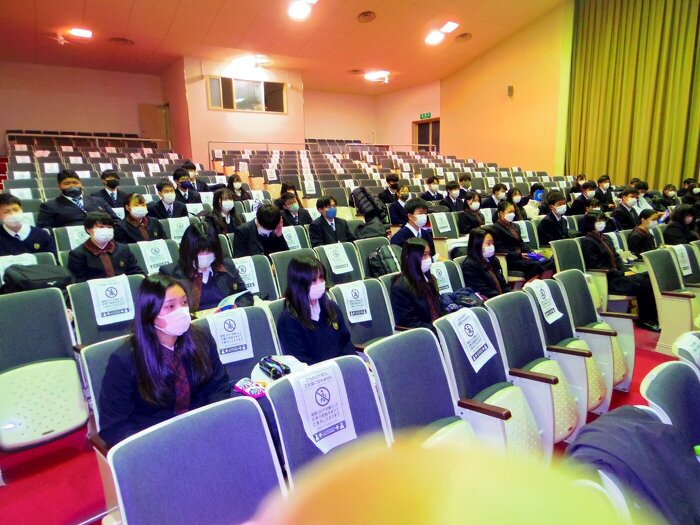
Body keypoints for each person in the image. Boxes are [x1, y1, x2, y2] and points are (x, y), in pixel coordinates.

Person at [98, 275, 230, 447]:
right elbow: (114, 425)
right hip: (155, 439)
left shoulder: (202, 338)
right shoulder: (125, 361)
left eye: (184, 302)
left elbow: (218, 386)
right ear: (149, 313)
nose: (182, 311)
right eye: (170, 306)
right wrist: (154, 446)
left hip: (202, 427)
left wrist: (214, 423)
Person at [579, 212, 659, 331]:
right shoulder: (588, 242)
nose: (602, 223)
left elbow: (617, 258)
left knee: (649, 276)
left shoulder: (605, 238)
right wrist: (622, 273)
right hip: (608, 279)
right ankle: (645, 319)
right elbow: (596, 266)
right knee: (645, 282)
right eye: (598, 221)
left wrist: (627, 271)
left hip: (618, 275)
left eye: (602, 220)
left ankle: (652, 317)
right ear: (591, 223)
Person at [276, 256, 355, 365]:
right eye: (313, 280)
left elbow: (346, 342)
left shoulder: (331, 307)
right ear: (299, 284)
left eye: (321, 278)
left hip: (343, 367)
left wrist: (353, 364)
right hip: (317, 373)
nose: (319, 283)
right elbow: (300, 360)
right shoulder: (288, 320)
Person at [159, 222, 253, 312]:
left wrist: (237, 306)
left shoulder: (225, 265)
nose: (205, 256)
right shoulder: (170, 274)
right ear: (188, 251)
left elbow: (245, 295)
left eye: (210, 251)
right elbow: (169, 310)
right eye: (200, 252)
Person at [67, 212, 144, 282]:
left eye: (109, 227)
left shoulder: (124, 249)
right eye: (101, 227)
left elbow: (136, 273)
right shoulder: (77, 254)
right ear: (89, 229)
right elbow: (80, 283)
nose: (106, 230)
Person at [390, 238, 445, 333]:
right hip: (424, 334)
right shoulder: (400, 288)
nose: (429, 259)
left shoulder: (429, 278)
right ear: (410, 258)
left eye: (429, 254)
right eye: (424, 255)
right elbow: (409, 323)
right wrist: (439, 330)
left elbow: (439, 309)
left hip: (437, 328)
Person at [491, 200, 552, 281]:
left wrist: (531, 252)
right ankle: (530, 286)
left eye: (513, 212)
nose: (513, 214)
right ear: (501, 213)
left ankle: (542, 284)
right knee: (536, 264)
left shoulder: (515, 226)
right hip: (510, 259)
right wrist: (519, 255)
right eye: (510, 212)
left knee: (548, 261)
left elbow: (521, 244)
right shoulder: (495, 228)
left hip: (523, 256)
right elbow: (500, 250)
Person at [37, 169, 117, 228]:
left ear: (80, 184)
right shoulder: (49, 206)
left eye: (75, 183)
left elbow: (115, 219)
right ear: (59, 186)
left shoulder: (99, 200)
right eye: (67, 183)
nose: (72, 186)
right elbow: (44, 229)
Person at [460, 228, 510, 298]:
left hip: (501, 298)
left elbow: (504, 284)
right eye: (488, 243)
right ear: (477, 245)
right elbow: (482, 291)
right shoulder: (469, 266)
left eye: (492, 243)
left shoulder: (494, 260)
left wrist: (510, 294)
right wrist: (503, 298)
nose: (492, 246)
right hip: (488, 300)